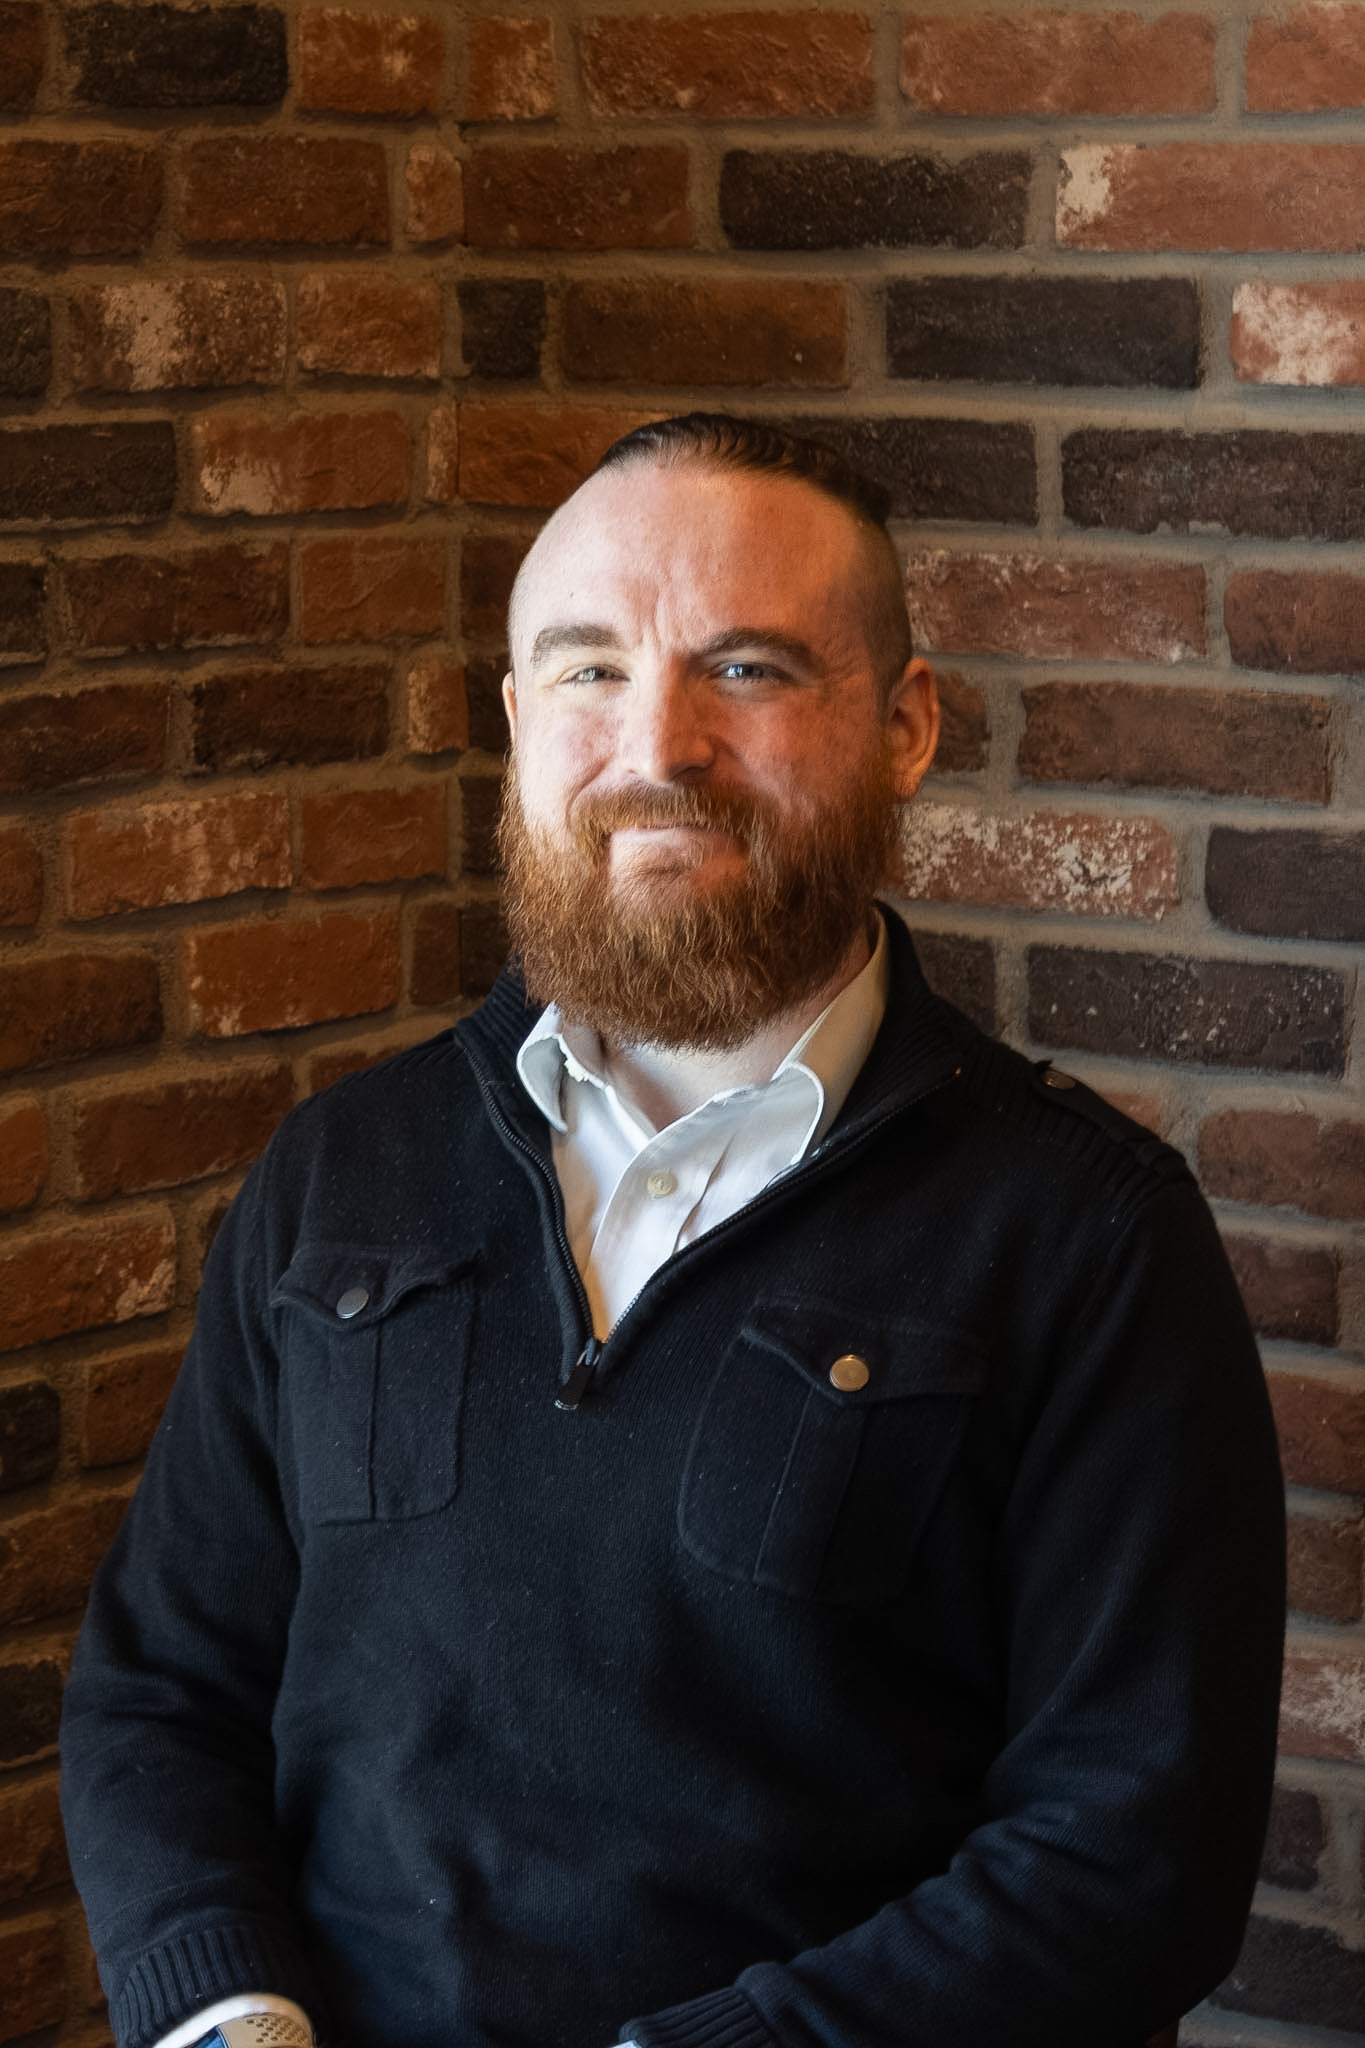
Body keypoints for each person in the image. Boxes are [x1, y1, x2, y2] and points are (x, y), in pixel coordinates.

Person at [61, 414, 1286, 2048]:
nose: (658, 746)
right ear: (512, 719)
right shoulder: (342, 1169)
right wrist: (229, 2015)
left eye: (750, 671)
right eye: (585, 673)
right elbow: (162, 1685)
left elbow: (1131, 1861)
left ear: (906, 726)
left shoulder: (1086, 1237)